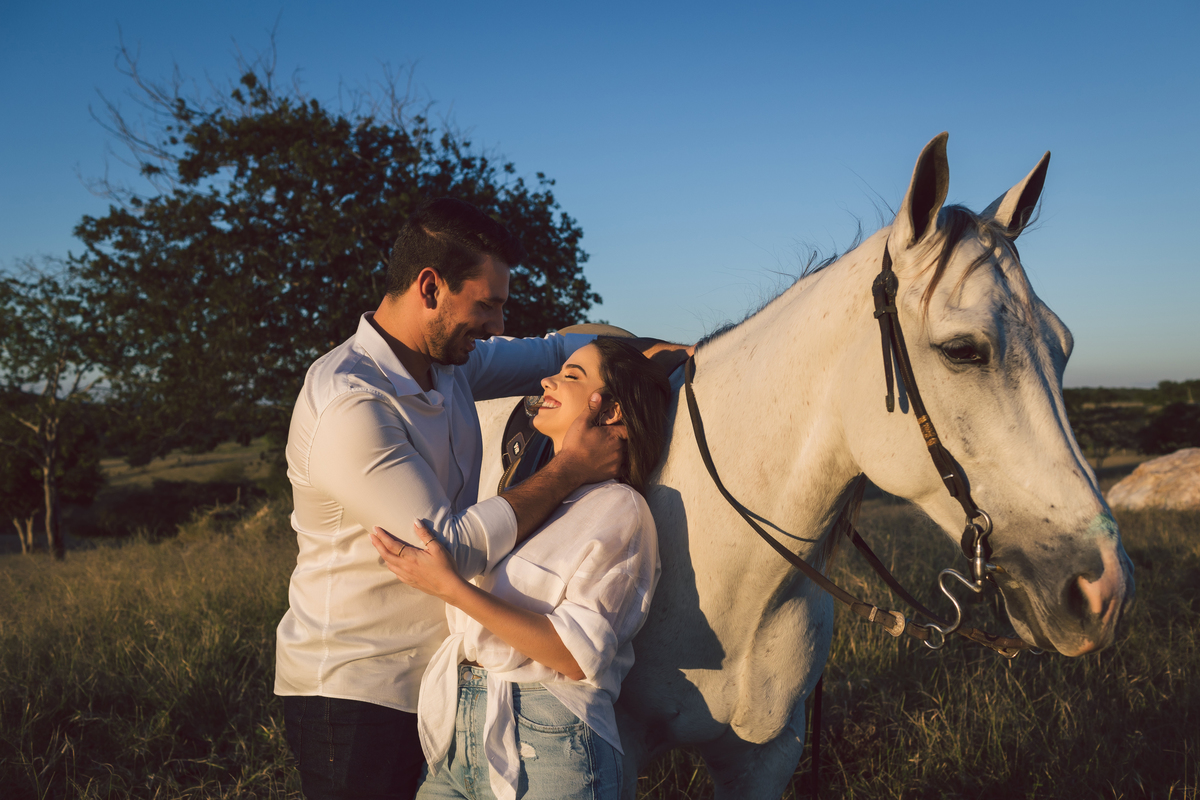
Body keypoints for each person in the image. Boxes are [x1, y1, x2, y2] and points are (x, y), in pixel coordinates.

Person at [275, 198, 688, 800]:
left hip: (445, 688)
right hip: (356, 690)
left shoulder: (449, 365)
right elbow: (446, 548)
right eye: (487, 304)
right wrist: (570, 469)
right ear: (430, 288)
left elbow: (555, 351)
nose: (497, 325)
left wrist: (673, 351)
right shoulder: (351, 402)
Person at [370, 337, 671, 800]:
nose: (547, 380)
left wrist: (452, 588)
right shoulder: (530, 497)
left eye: (571, 376)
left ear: (610, 411)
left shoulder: (620, 510)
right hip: (459, 725)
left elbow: (574, 656)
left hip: (549, 738)